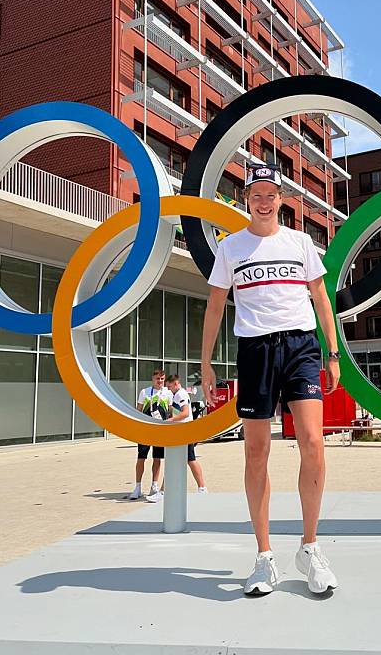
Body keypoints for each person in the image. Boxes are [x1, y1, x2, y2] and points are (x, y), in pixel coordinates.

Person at [201, 165, 340, 596]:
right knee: (256, 451)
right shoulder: (231, 248)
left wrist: (332, 353)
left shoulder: (300, 243)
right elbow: (215, 305)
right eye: (256, 194)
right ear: (246, 199)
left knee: (313, 443)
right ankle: (264, 557)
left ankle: (310, 548)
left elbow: (320, 295)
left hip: (300, 346)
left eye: (271, 195)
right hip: (255, 351)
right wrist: (205, 363)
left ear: (282, 200)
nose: (264, 202)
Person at [146, 373, 209, 503]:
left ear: (176, 384)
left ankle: (166, 492)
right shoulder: (178, 394)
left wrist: (170, 420)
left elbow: (185, 413)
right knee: (187, 460)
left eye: (169, 386)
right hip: (182, 432)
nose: (168, 389)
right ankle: (200, 488)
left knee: (188, 460)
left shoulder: (181, 394)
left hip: (183, 433)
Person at [127, 368, 173, 500]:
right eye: (157, 379)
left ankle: (154, 485)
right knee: (141, 458)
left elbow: (170, 412)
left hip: (160, 431)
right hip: (145, 431)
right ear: (153, 379)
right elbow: (139, 410)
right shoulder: (145, 392)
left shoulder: (168, 393)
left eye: (162, 379)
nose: (160, 381)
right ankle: (137, 487)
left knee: (157, 458)